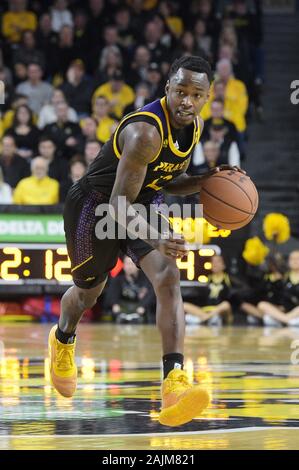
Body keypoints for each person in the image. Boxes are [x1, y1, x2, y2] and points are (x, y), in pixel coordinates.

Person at [48, 55, 242, 426]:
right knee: (89, 293)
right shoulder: (146, 133)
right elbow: (118, 205)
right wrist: (155, 236)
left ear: (206, 97)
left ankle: (174, 383)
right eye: (181, 91)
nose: (187, 100)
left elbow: (167, 179)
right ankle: (63, 337)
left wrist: (209, 180)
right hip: (97, 206)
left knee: (168, 275)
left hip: (141, 201)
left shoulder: (194, 127)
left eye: (196, 94)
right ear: (167, 88)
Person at [184, 255, 233, 325]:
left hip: (221, 311)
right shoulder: (208, 278)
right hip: (206, 310)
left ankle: (204, 319)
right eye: (213, 262)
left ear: (224, 265)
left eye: (217, 261)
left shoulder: (228, 278)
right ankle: (207, 318)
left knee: (226, 304)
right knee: (184, 305)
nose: (215, 264)